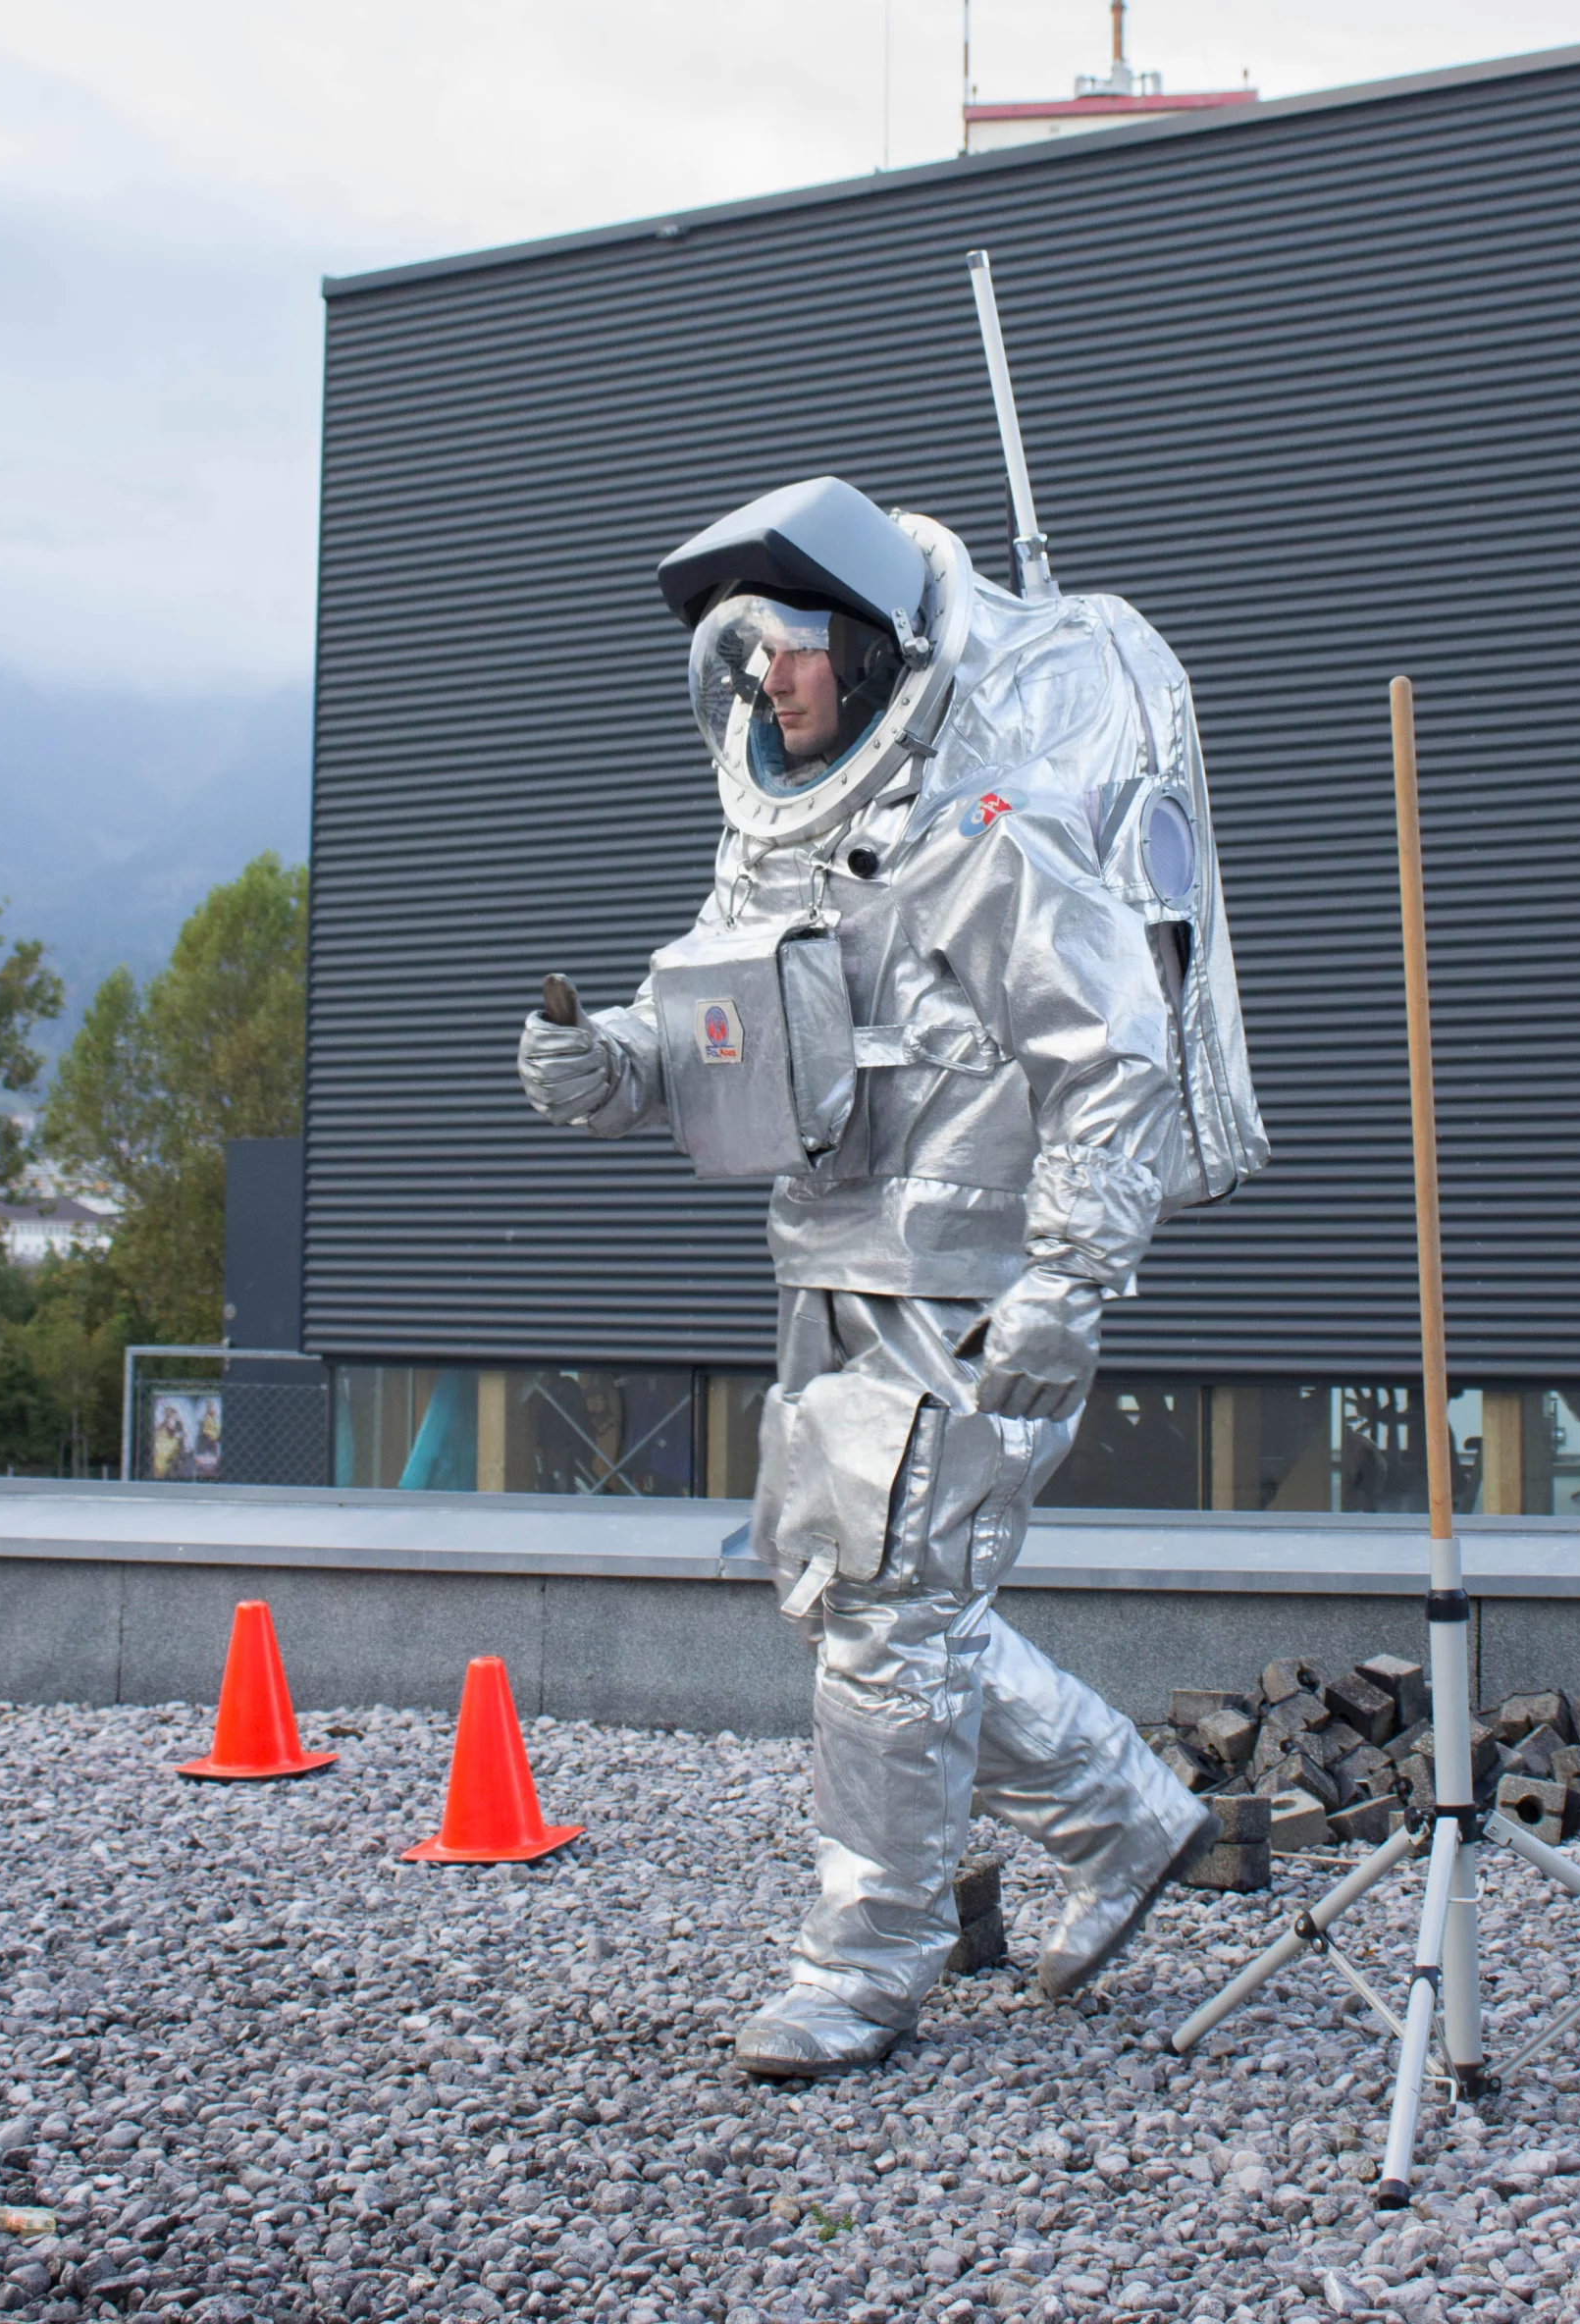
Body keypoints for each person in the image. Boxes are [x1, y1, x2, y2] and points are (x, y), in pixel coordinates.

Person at [519, 474, 1267, 2080]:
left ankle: (864, 1961)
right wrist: (610, 1066)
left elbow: (1111, 1055)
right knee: (851, 1595)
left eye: (784, 640)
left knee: (885, 1615)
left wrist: (1070, 1279)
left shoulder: (982, 829)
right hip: (831, 1267)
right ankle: (1128, 1822)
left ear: (866, 648)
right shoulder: (773, 835)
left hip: (968, 1284)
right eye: (741, 647)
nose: (760, 674)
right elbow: (725, 1024)